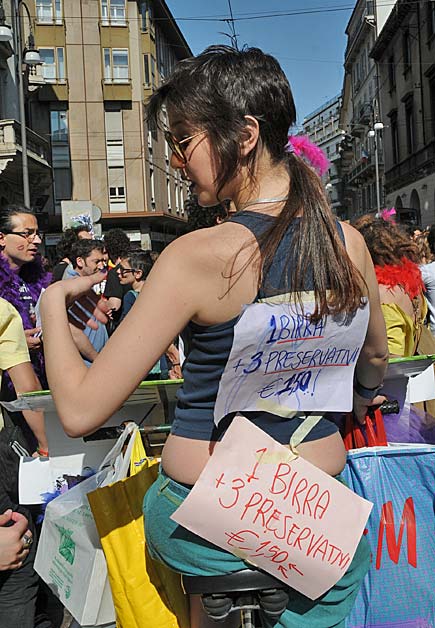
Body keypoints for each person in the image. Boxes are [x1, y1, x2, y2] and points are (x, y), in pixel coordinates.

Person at [40, 46, 388, 627]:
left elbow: (78, 411)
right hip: (318, 519)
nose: (178, 161)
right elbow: (374, 357)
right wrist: (359, 396)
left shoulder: (197, 255)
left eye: (184, 141)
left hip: (204, 518)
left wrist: (54, 303)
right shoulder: (346, 242)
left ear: (244, 135)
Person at [353, 214, 426, 358]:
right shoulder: (411, 282)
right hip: (414, 367)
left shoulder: (379, 294)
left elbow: (388, 355)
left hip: (392, 371)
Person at [117, 250, 182, 379]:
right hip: (162, 363)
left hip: (142, 364)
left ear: (138, 273)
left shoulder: (131, 298)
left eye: (123, 270)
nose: (118, 272)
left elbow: (126, 332)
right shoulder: (159, 296)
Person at [66, 239, 109, 366]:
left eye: (103, 261)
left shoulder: (84, 284)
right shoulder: (71, 288)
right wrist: (98, 360)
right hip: (87, 366)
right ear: (80, 261)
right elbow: (75, 334)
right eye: (96, 262)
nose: (101, 266)